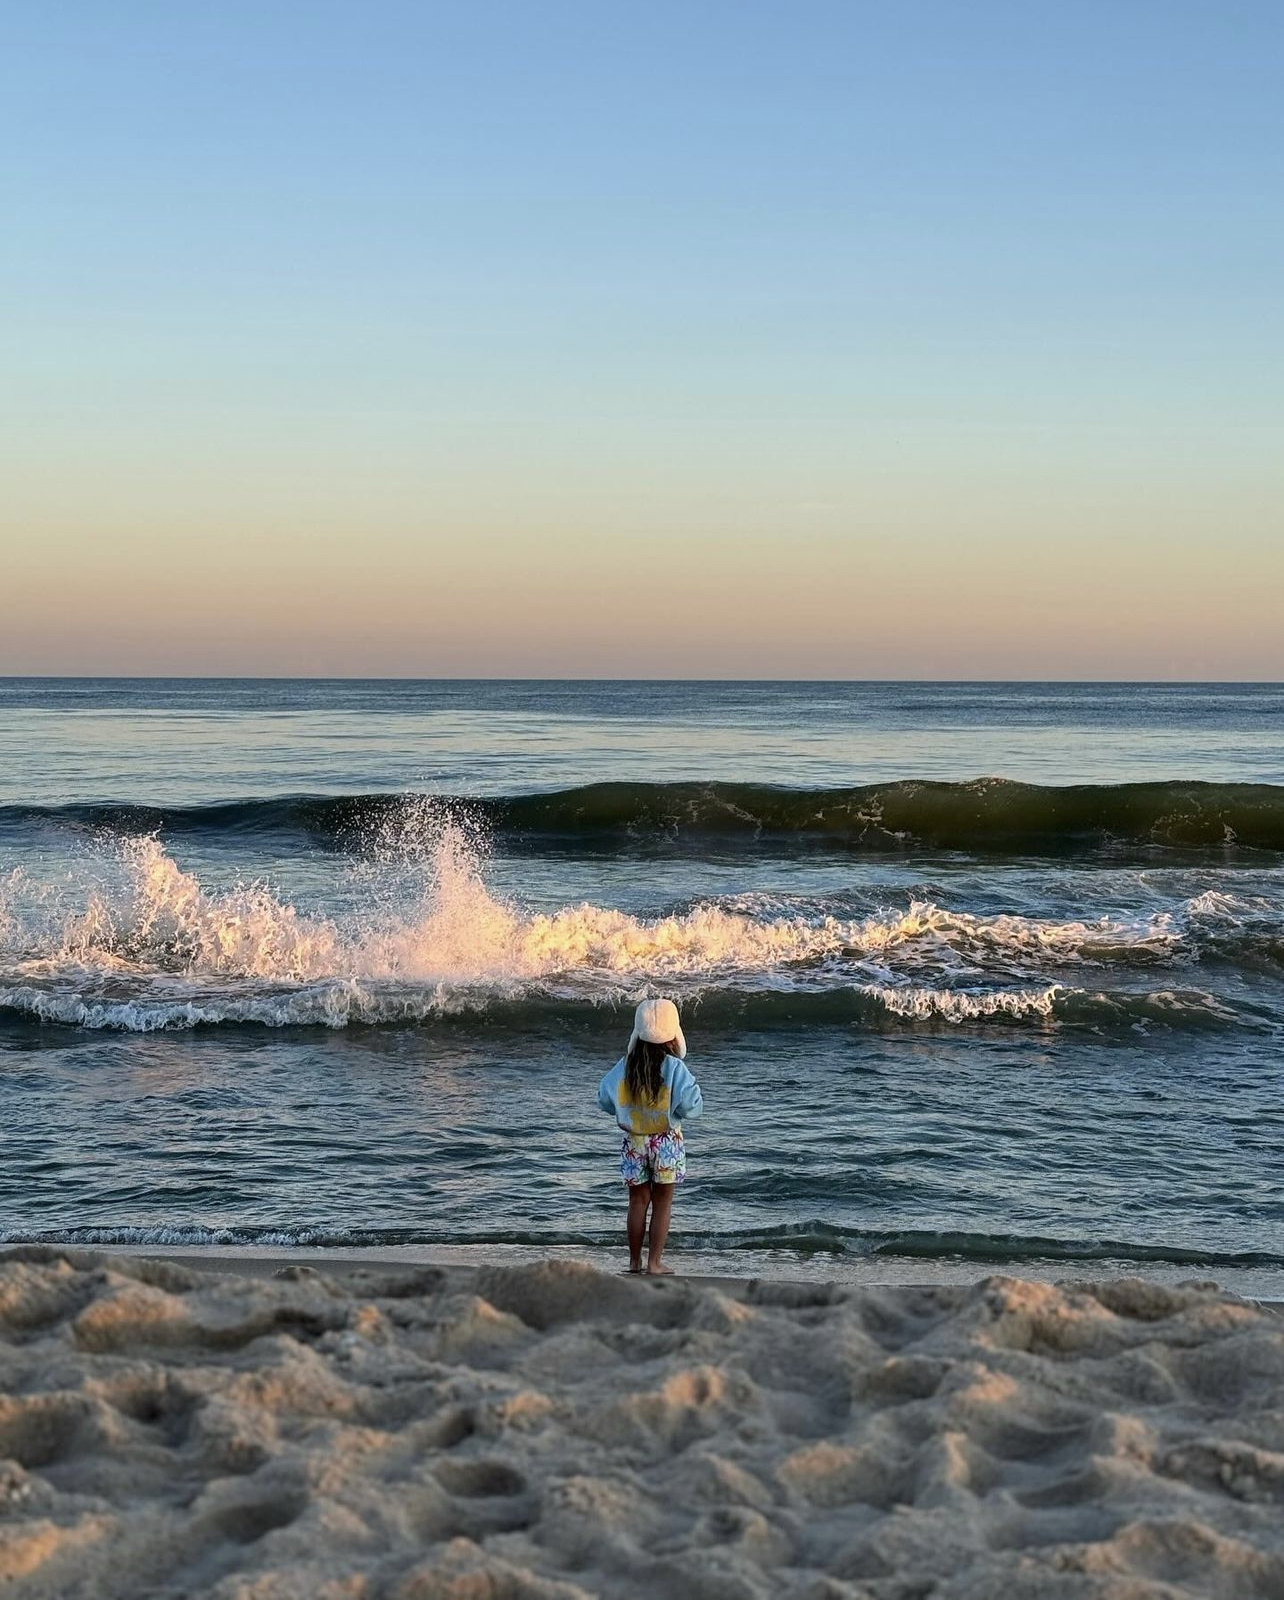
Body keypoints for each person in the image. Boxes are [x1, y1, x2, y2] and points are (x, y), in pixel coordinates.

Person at [597, 997, 703, 1276]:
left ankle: (634, 1262)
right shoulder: (675, 1068)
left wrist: (627, 1111)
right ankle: (655, 1263)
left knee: (637, 1201)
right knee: (663, 1203)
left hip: (634, 1142)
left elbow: (604, 1099)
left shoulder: (625, 1066)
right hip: (667, 1142)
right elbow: (692, 1106)